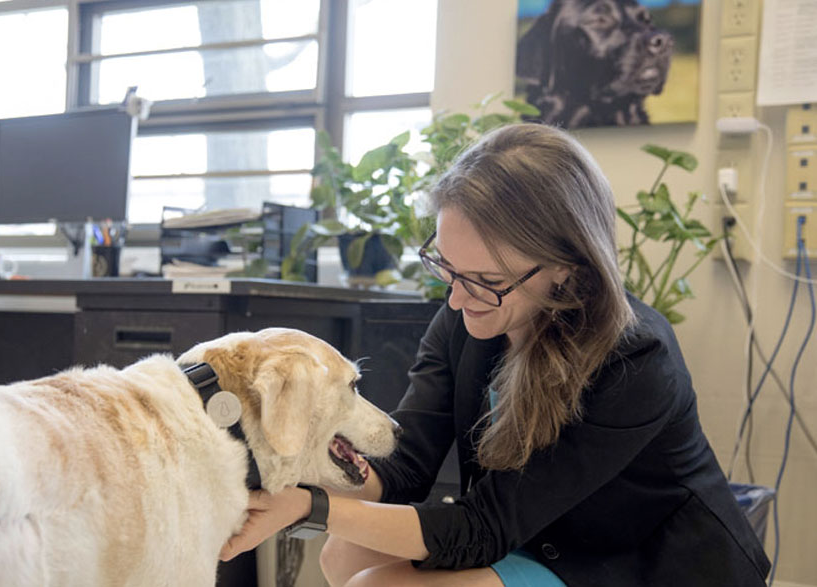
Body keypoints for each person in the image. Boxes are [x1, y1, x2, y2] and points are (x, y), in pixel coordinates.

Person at [219, 123, 771, 586]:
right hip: (534, 534)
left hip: (635, 564)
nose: (457, 299)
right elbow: (406, 467)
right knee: (345, 552)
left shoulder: (635, 358)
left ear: (567, 266)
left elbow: (484, 527)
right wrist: (293, 478)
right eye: (449, 269)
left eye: (485, 280)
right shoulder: (472, 310)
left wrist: (311, 507)